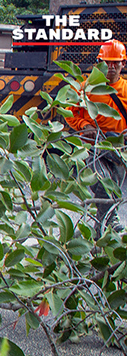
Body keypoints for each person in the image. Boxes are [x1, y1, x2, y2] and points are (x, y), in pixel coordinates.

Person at [66, 39, 127, 236]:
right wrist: (85, 125)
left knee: (116, 184)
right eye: (106, 63)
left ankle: (100, 232)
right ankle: (112, 221)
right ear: (98, 64)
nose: (111, 68)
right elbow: (69, 112)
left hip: (119, 148)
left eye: (115, 63)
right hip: (93, 147)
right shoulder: (86, 88)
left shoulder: (125, 89)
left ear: (122, 64)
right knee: (102, 181)